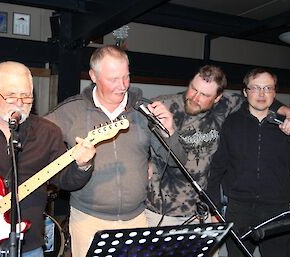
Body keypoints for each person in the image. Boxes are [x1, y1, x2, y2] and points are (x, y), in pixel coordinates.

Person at [45, 45, 187, 257]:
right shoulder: (69, 111)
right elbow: (36, 147)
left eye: (126, 77)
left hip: (137, 219)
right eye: (113, 79)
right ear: (93, 76)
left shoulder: (144, 110)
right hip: (87, 221)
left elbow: (178, 160)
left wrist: (170, 131)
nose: (122, 86)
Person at [145, 65, 290, 227]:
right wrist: (146, 161)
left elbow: (260, 97)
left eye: (205, 95)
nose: (195, 98)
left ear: (217, 98)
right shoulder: (164, 105)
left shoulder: (227, 105)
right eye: (193, 89)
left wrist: (285, 110)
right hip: (162, 211)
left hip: (202, 211)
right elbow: (138, 137)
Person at [0, 61, 96, 257]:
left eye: (26, 95)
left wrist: (83, 165)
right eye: (11, 96)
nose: (20, 103)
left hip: (29, 245)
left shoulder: (47, 132)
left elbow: (65, 180)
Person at [207, 67, 290, 257]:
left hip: (277, 211)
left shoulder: (287, 125)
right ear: (245, 92)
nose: (261, 94)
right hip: (239, 211)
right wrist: (214, 209)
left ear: (274, 92)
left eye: (267, 88)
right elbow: (217, 168)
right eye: (255, 88)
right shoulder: (231, 123)